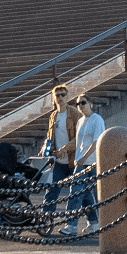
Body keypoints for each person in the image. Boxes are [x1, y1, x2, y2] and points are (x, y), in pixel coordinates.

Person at [67, 94, 105, 235]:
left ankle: (102, 225)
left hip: (93, 163)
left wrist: (83, 157)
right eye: (78, 104)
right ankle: (86, 224)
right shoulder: (80, 121)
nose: (81, 106)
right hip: (81, 163)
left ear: (90, 103)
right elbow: (79, 142)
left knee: (97, 195)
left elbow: (97, 142)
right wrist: (77, 157)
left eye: (83, 103)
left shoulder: (97, 120)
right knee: (80, 193)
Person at [43, 85, 80, 226]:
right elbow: (50, 136)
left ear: (67, 96)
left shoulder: (74, 114)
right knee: (52, 190)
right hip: (59, 161)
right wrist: (46, 149)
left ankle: (93, 222)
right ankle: (46, 219)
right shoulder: (53, 116)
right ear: (53, 97)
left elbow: (79, 137)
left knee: (81, 193)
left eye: (63, 95)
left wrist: (65, 149)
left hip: (73, 160)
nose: (60, 98)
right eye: (57, 95)